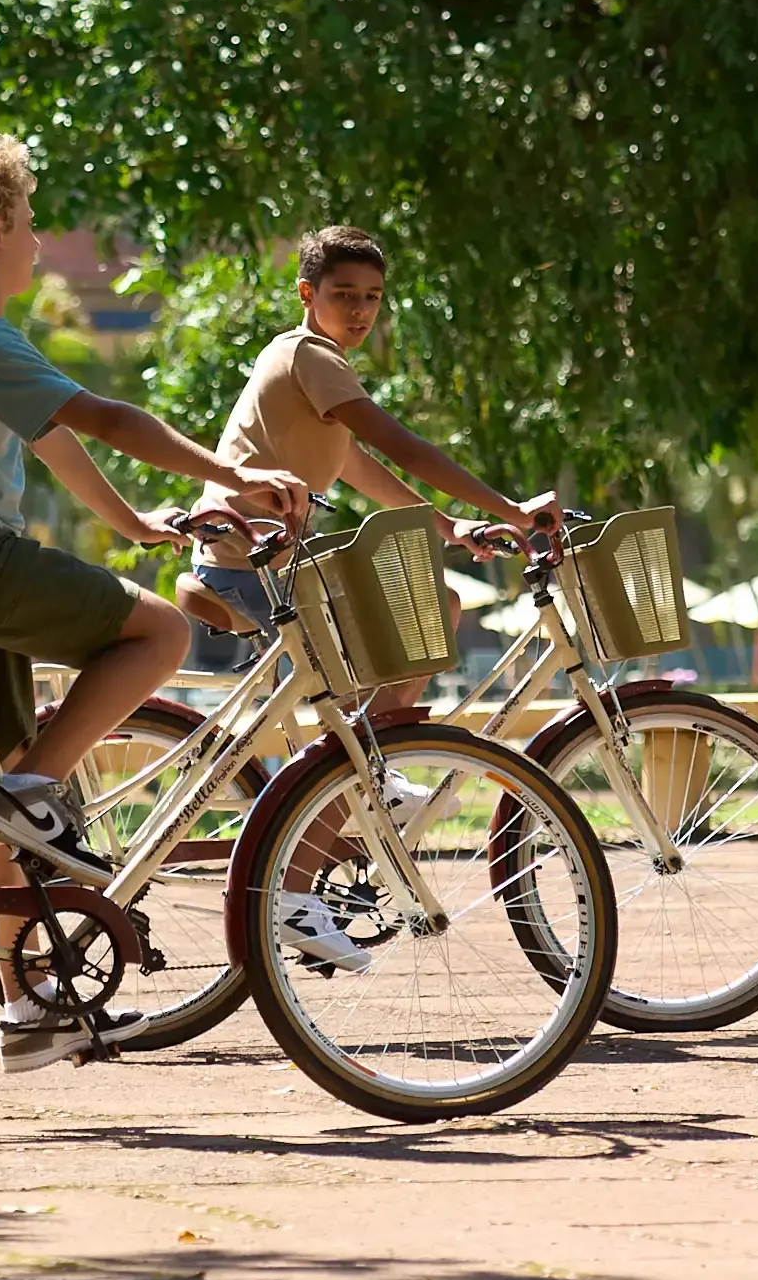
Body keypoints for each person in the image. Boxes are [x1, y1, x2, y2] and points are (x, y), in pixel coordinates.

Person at [0, 130, 308, 1072]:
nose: (35, 237)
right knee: (160, 629)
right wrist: (234, 470)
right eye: (25, 222)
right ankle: (29, 794)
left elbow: (61, 444)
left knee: (5, 783)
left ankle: (26, 1003)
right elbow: (103, 416)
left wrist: (136, 520)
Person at [185, 224, 543, 973]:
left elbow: (362, 469)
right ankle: (295, 884)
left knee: (427, 608)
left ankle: (368, 775)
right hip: (249, 567)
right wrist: (511, 509)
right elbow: (402, 444)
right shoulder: (309, 355)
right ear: (307, 295)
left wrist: (449, 524)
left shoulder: (317, 371)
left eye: (373, 298)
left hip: (264, 565)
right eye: (343, 294)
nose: (360, 310)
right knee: (403, 645)